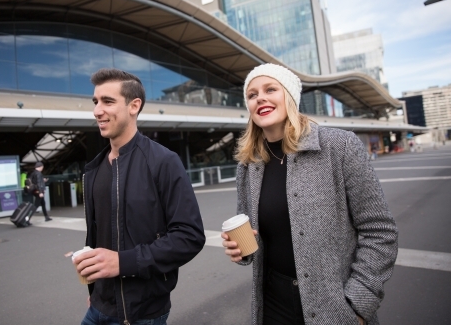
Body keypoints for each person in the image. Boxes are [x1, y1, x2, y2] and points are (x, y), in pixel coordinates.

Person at [221, 64, 398, 325]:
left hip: (335, 306)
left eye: (271, 89)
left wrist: (359, 304)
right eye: (252, 94)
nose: (260, 98)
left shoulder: (340, 146)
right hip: (272, 304)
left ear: (290, 96)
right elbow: (253, 237)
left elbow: (380, 231)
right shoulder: (248, 165)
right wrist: (241, 251)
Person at [73, 68, 206, 325]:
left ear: (134, 106)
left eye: (108, 101)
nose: (97, 110)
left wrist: (123, 262)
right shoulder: (93, 170)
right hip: (98, 307)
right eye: (96, 101)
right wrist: (95, 291)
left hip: (141, 314)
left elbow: (189, 236)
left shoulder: (164, 161)